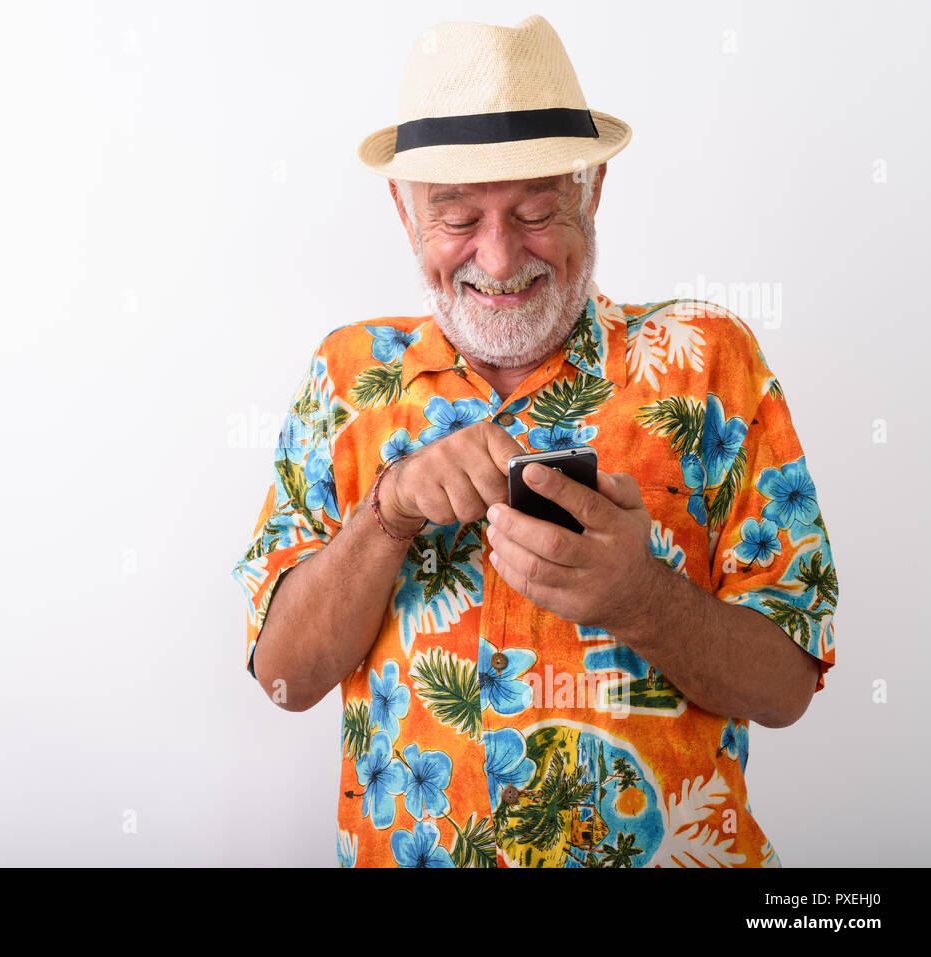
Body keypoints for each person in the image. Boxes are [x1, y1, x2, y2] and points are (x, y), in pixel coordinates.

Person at [230, 16, 837, 868]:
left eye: (538, 209)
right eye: (457, 216)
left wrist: (637, 596)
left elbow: (786, 688)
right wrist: (388, 513)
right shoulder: (347, 376)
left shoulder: (708, 361)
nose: (501, 254)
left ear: (592, 192)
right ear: (404, 212)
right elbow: (282, 676)